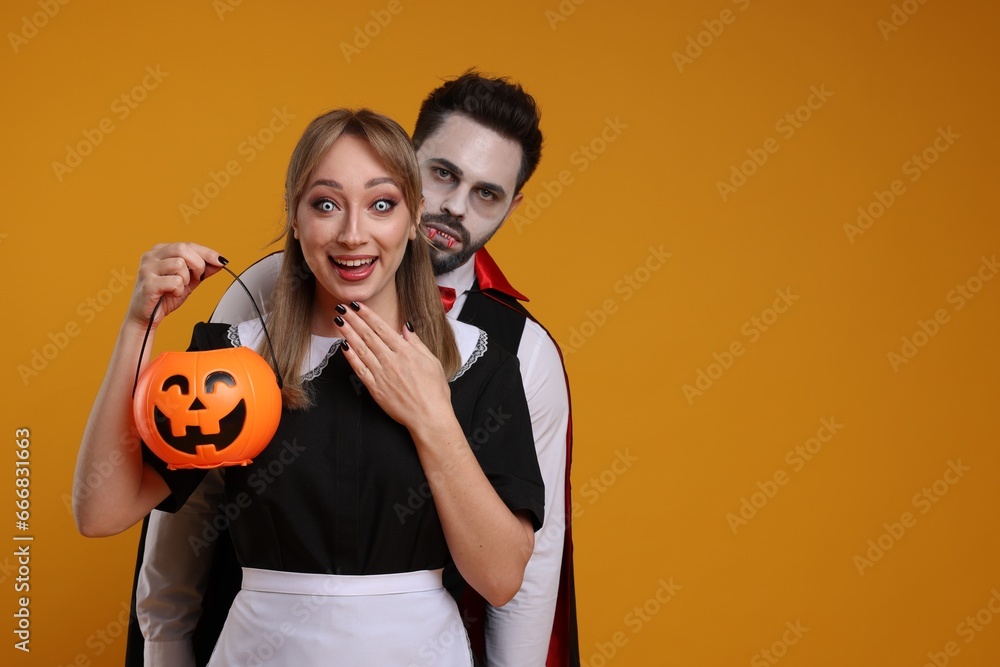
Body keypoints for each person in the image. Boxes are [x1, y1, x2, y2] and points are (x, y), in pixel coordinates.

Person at [128, 71, 579, 667]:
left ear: (512, 205)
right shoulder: (262, 292)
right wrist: (164, 641)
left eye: (486, 193)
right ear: (405, 160)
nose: (453, 206)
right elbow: (195, 483)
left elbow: (531, 560)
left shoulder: (519, 350)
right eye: (442, 173)